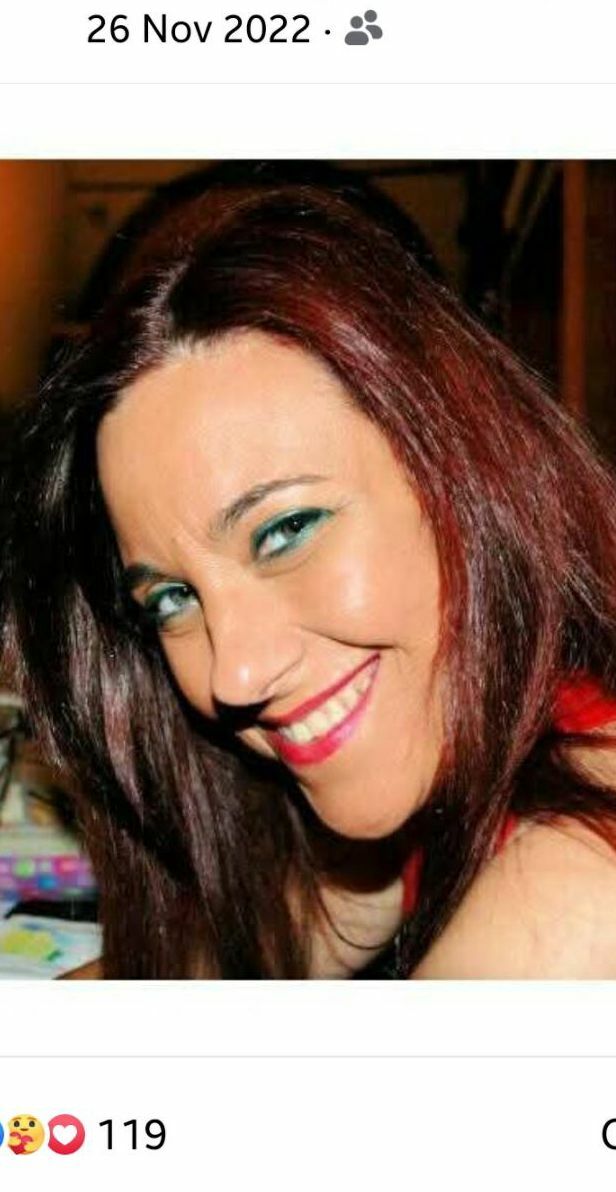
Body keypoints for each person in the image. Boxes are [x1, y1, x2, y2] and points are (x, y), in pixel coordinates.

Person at [3, 162, 616, 980]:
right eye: (174, 598)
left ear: (467, 474)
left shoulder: (579, 882)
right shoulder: (463, 742)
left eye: (287, 530)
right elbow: (204, 970)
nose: (234, 674)